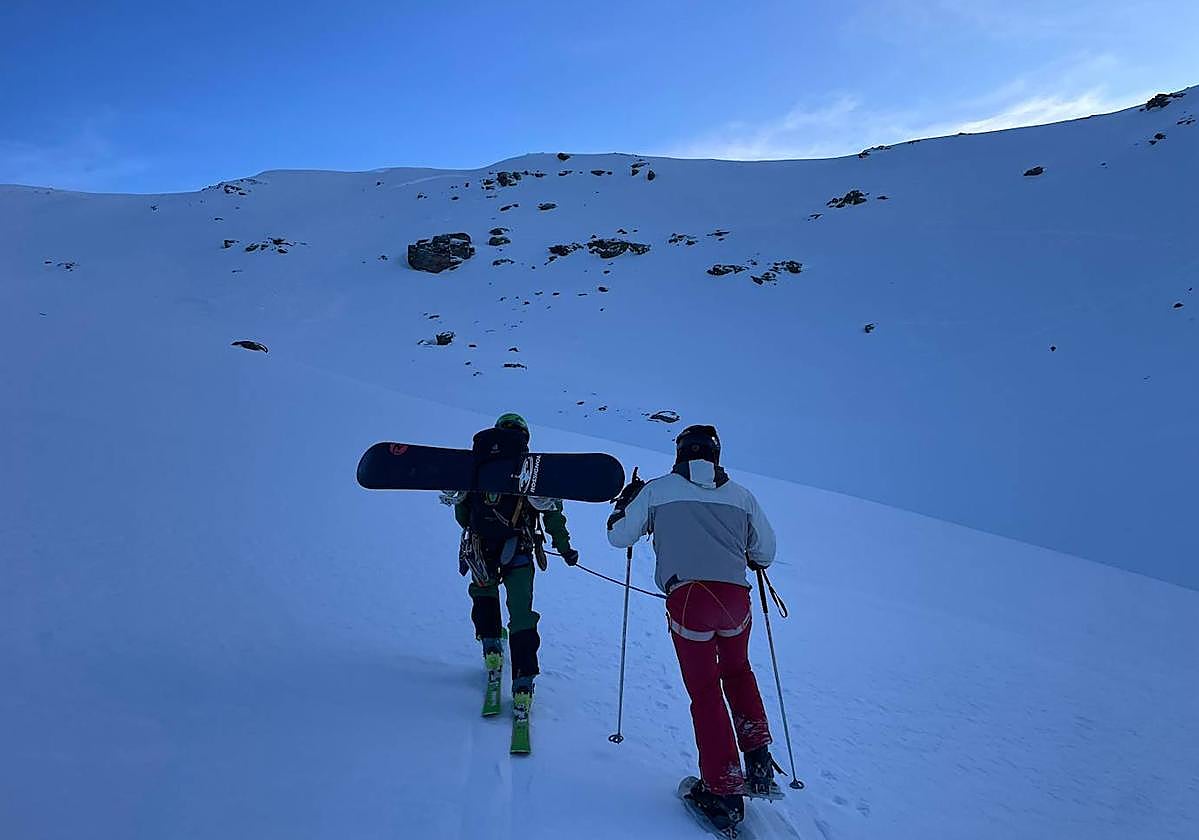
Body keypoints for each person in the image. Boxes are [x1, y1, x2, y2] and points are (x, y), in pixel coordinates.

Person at [606, 424, 778, 833]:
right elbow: (765, 553)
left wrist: (623, 504)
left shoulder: (658, 489)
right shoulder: (742, 495)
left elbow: (618, 536)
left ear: (680, 453)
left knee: (705, 690)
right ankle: (757, 757)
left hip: (689, 600)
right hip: (736, 601)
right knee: (738, 671)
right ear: (716, 455)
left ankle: (723, 789)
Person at [446, 413, 578, 713]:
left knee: (484, 592)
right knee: (521, 614)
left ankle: (491, 647)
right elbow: (553, 514)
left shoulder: (478, 468)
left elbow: (463, 517)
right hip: (519, 549)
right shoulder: (533, 471)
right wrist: (565, 547)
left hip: (480, 548)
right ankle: (523, 684)